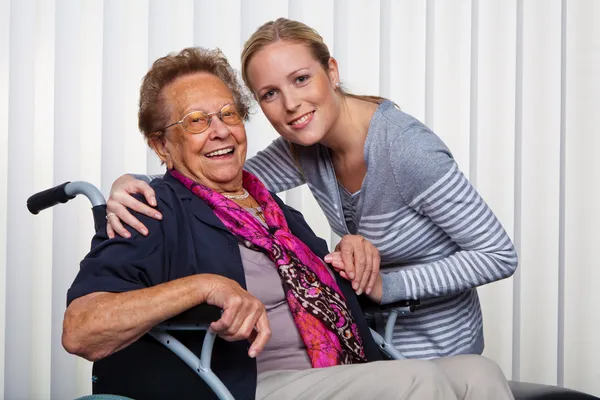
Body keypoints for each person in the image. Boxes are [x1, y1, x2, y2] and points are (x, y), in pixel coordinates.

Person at [63, 47, 515, 400]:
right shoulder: (154, 210)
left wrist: (354, 251)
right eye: (197, 121)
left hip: (338, 370)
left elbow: (331, 293)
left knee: (479, 375)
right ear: (161, 144)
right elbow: (81, 329)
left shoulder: (277, 213)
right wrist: (202, 286)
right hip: (244, 385)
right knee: (413, 382)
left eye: (229, 115)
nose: (220, 131)